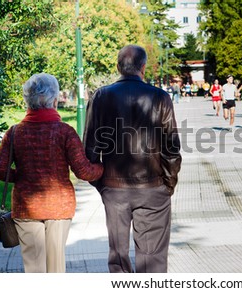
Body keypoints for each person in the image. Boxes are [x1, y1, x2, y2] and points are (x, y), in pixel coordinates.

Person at [83, 44, 182, 273]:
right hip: (153, 186)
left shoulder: (100, 96)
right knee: (153, 258)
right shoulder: (160, 97)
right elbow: (171, 149)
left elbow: (90, 148)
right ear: (143, 68)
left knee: (118, 255)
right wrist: (168, 183)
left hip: (114, 188)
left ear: (118, 67)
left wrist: (102, 184)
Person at [0, 73, 103, 273]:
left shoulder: (14, 132)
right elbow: (84, 171)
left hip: (27, 208)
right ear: (54, 99)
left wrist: (24, 177)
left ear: (28, 100)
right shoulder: (65, 132)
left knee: (34, 269)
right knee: (56, 268)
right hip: (58, 207)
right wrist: (103, 168)